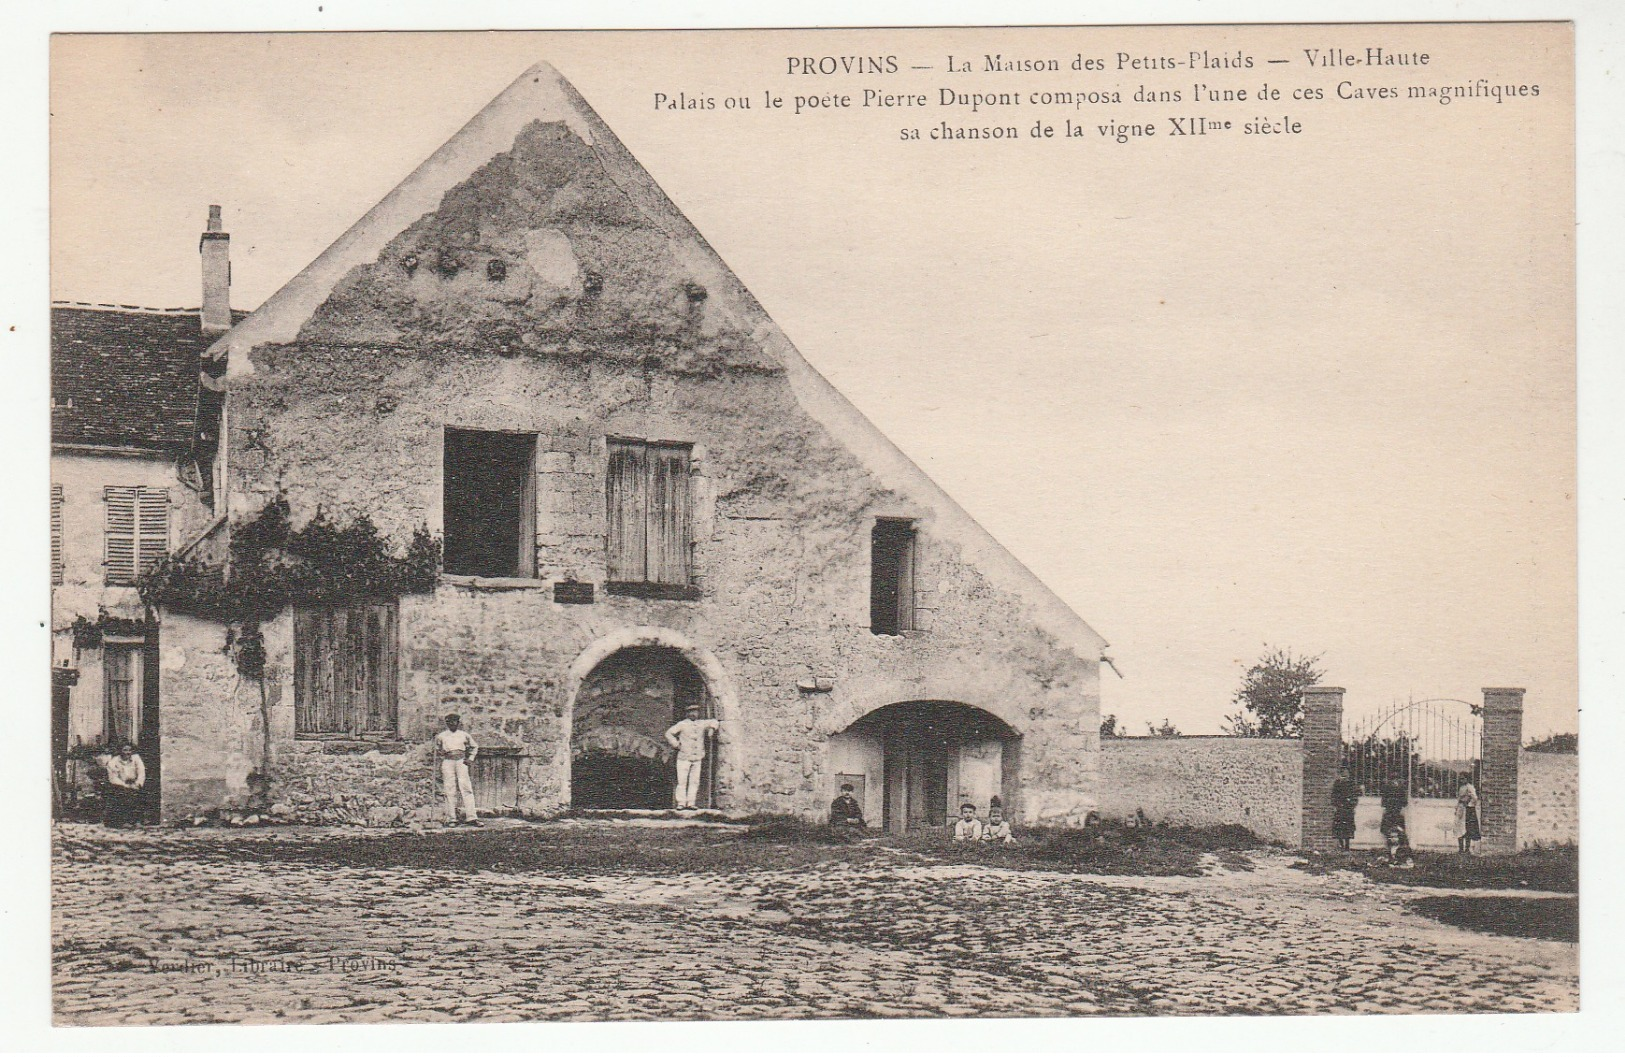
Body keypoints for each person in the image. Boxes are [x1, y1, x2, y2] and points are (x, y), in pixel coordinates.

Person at [664, 704, 719, 810]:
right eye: (691, 712)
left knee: (694, 781)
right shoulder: (682, 724)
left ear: (698, 713)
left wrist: (711, 729)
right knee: (682, 781)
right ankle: (681, 803)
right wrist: (676, 744)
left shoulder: (702, 723)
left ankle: (691, 803)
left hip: (697, 757)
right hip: (684, 757)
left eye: (695, 712)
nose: (693, 714)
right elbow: (669, 733)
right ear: (687, 713)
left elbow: (714, 721)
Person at [433, 713, 481, 826]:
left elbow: (474, 746)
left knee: (466, 788)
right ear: (447, 723)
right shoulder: (441, 736)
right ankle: (452, 818)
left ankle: (472, 817)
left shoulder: (464, 735)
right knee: (449, 789)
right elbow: (437, 749)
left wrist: (470, 758)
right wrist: (440, 752)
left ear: (458, 723)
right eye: (449, 722)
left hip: (461, 762)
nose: (452, 724)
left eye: (454, 722)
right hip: (448, 762)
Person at [102, 741, 146, 828]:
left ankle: (137, 820)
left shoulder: (136, 758)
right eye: (125, 750)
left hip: (134, 783)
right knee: (123, 795)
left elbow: (141, 772)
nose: (127, 752)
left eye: (130, 750)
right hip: (119, 784)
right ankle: (124, 821)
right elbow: (113, 778)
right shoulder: (114, 761)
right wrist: (125, 785)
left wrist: (138, 783)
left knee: (139, 794)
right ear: (120, 751)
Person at [1378, 775, 1412, 866]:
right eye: (1393, 779)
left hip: (1395, 813)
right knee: (1388, 833)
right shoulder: (1387, 788)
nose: (1394, 781)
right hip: (1390, 813)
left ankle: (1398, 854)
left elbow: (1404, 802)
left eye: (1395, 779)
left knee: (1399, 833)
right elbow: (1383, 802)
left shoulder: (1401, 789)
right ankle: (1389, 852)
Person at [1331, 767, 1360, 852]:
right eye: (1343, 773)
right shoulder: (1337, 783)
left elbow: (1355, 795)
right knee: (1339, 826)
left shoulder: (1351, 784)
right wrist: (1335, 805)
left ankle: (1347, 844)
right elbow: (1334, 795)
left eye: (1346, 773)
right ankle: (1341, 844)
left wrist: (1352, 804)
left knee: (1348, 827)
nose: (1345, 775)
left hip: (1348, 808)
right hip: (1340, 807)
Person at [1455, 781, 1483, 855]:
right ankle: (1460, 849)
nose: (1461, 779)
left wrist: (1468, 801)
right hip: (1460, 810)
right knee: (1459, 829)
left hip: (1468, 811)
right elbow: (1459, 800)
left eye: (1463, 778)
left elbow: (1475, 798)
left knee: (1468, 829)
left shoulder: (1470, 787)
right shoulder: (1461, 787)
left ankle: (1467, 849)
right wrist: (1457, 808)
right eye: (1460, 778)